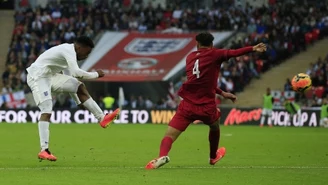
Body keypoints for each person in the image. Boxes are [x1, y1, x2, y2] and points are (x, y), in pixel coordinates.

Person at [145, 32, 267, 169]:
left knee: (169, 135)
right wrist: (252, 48)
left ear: (197, 44)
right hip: (206, 107)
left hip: (187, 105)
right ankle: (213, 156)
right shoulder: (215, 54)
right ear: (212, 44)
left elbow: (200, 81)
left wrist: (222, 93)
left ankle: (162, 155)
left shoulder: (189, 57)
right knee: (215, 126)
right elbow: (233, 53)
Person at [26, 36, 120, 162]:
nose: (86, 56)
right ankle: (44, 149)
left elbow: (71, 79)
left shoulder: (68, 56)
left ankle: (102, 118)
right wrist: (96, 74)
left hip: (50, 76)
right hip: (37, 77)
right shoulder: (67, 50)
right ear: (80, 47)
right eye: (87, 52)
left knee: (79, 86)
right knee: (46, 110)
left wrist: (77, 101)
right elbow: (77, 72)